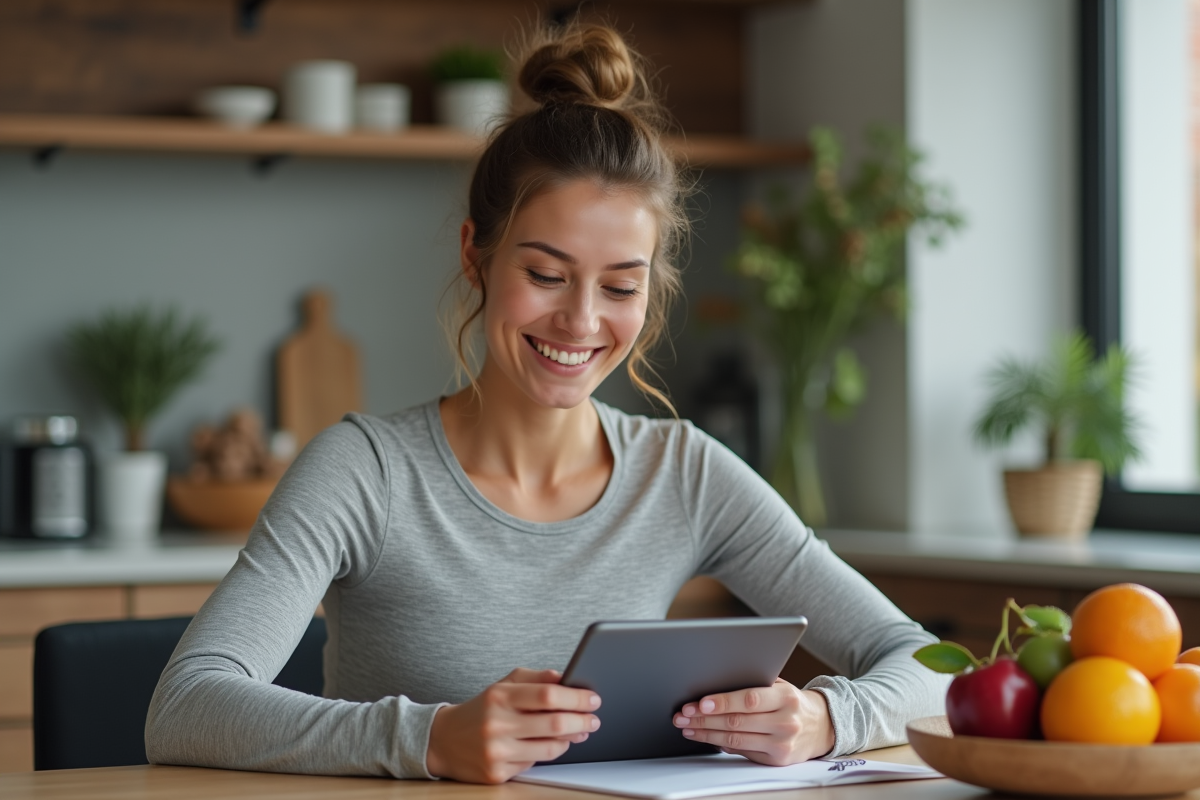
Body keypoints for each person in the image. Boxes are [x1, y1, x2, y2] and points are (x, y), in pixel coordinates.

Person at [145, 22, 947, 784]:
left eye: (621, 286)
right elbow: (185, 708)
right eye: (545, 274)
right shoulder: (365, 471)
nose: (581, 321)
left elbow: (933, 669)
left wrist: (823, 718)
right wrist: (428, 738)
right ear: (476, 256)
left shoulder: (684, 472)